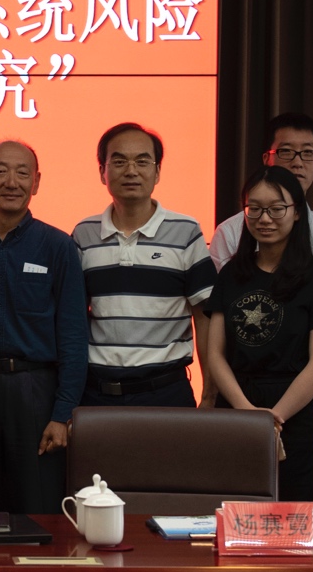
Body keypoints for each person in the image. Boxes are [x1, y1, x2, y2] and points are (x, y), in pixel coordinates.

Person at [0, 139, 86, 513]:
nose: (12, 182)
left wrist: (62, 414)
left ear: (36, 182)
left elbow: (74, 336)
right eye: (0, 171)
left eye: (22, 172)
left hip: (36, 393)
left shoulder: (58, 246)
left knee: (39, 506)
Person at [204, 167, 313, 502]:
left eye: (276, 209)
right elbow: (215, 355)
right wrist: (248, 412)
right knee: (237, 511)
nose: (264, 218)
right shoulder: (231, 274)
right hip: (237, 405)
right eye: (254, 208)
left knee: (297, 515)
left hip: (296, 409)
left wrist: (275, 417)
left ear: (296, 212)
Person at [73, 122, 216, 408]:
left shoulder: (186, 231)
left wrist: (210, 395)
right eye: (119, 161)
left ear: (157, 171)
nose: (131, 171)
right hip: (97, 395)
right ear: (102, 172)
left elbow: (204, 317)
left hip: (166, 393)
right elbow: (73, 319)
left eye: (142, 161)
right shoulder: (83, 234)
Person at [209, 113, 313, 275]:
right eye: (286, 151)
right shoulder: (229, 233)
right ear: (267, 159)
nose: (297, 163)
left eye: (308, 152)